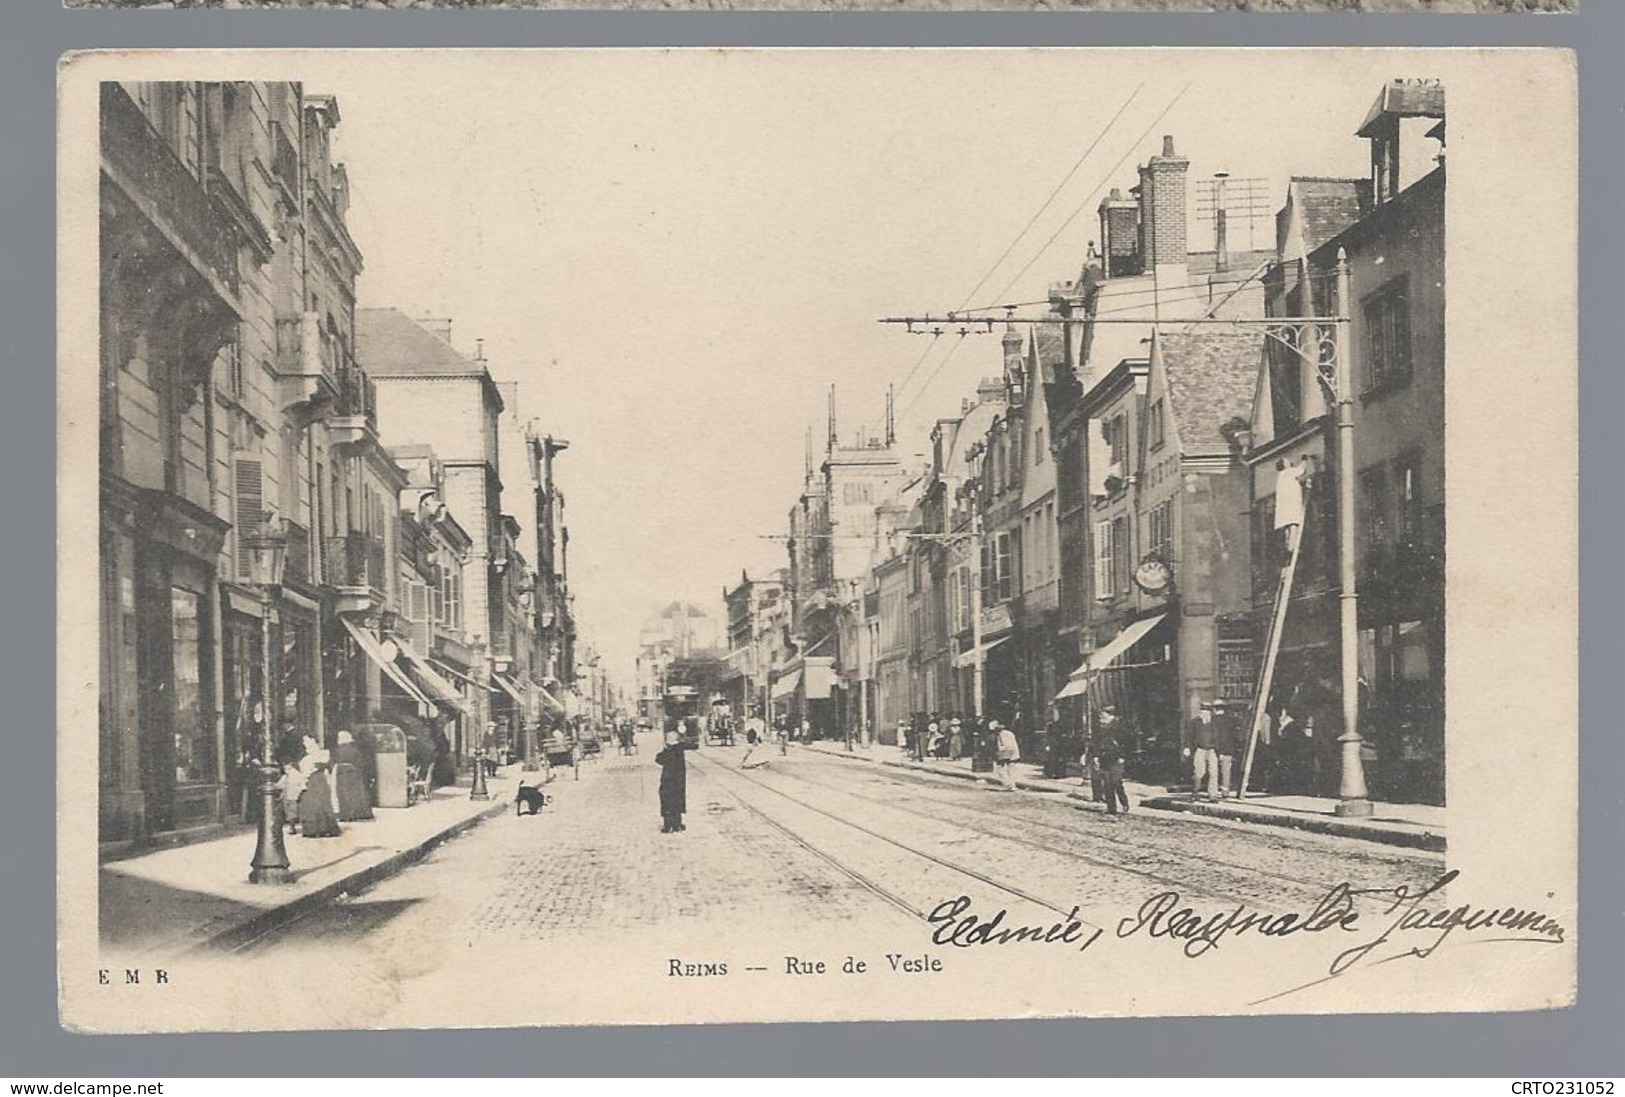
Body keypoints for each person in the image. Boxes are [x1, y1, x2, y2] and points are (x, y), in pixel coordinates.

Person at [297, 735, 342, 838]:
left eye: (307, 741)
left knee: (320, 802)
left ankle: (323, 828)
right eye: (305, 742)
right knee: (312, 803)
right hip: (314, 781)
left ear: (314, 742)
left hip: (318, 780)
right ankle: (315, 829)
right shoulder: (307, 757)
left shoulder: (322, 754)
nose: (305, 744)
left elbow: (327, 766)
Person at [655, 728, 696, 833]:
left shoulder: (669, 750)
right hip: (679, 780)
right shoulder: (679, 749)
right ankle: (677, 824)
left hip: (668, 780)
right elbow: (692, 745)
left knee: (667, 801)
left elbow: (659, 759)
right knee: (678, 800)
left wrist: (665, 748)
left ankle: (668, 826)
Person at [1094, 706, 1130, 816]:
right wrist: (1096, 756)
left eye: (1104, 714)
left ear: (1111, 715)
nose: (1101, 716)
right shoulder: (1101, 727)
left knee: (1116, 782)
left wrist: (1122, 757)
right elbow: (1097, 743)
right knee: (1107, 784)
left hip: (1116, 759)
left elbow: (1126, 743)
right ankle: (1111, 809)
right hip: (1104, 758)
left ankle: (1124, 803)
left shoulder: (1119, 727)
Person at [1183, 699, 1221, 802]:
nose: (1206, 713)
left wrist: (1219, 751)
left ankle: (1213, 795)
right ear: (1200, 711)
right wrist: (1187, 747)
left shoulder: (1214, 723)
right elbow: (1189, 737)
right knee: (1199, 772)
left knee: (1213, 773)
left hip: (1212, 750)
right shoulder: (1195, 722)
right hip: (1200, 750)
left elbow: (1217, 737)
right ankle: (1195, 793)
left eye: (1208, 711)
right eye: (1204, 711)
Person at [333, 730, 373, 821]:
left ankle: (345, 814)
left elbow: (334, 761)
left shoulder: (337, 750)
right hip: (353, 772)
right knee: (355, 793)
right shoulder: (354, 750)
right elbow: (359, 762)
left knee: (342, 793)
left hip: (341, 772)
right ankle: (357, 813)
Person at [1214, 700, 1245, 799]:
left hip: (1215, 748)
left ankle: (1214, 791)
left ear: (1214, 709)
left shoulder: (1213, 720)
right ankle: (1225, 791)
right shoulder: (1231, 720)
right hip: (1228, 749)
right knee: (1226, 771)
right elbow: (1236, 736)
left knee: (1214, 771)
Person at [991, 718, 1020, 791]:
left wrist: (998, 751)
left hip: (1007, 753)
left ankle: (1008, 784)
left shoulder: (1002, 735)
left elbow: (1006, 745)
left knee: (1000, 768)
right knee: (1011, 769)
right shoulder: (1009, 733)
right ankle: (1012, 785)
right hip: (1013, 753)